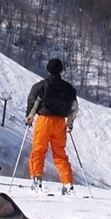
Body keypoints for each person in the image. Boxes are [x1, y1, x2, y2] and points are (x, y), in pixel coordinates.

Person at [25, 58, 78, 194]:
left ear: (48, 70)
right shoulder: (69, 89)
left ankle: (37, 180)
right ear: (61, 70)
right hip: (60, 122)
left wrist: (29, 118)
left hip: (44, 120)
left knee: (39, 151)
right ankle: (67, 183)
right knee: (60, 154)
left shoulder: (41, 86)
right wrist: (69, 123)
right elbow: (74, 108)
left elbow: (33, 103)